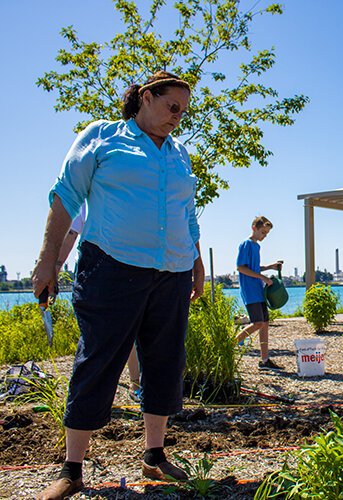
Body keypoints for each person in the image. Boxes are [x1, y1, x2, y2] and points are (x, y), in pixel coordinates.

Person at [32, 71, 204, 500]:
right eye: (172, 107)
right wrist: (47, 261)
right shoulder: (102, 137)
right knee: (99, 360)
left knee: (165, 361)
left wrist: (197, 263)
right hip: (112, 266)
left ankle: (155, 455)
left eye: (183, 111)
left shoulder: (179, 154)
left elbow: (187, 214)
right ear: (147, 97)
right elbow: (65, 196)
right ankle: (72, 470)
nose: (177, 118)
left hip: (173, 270)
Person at [58, 205, 143, 403]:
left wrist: (55, 264)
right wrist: (54, 264)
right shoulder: (84, 194)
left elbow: (72, 231)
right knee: (105, 334)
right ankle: (97, 394)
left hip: (119, 266)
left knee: (119, 332)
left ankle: (133, 384)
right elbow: (72, 230)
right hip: (104, 267)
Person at [235, 216, 283, 371]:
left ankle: (264, 360)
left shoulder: (256, 246)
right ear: (254, 228)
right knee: (258, 323)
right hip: (250, 290)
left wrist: (269, 267)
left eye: (266, 233)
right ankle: (229, 344)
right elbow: (241, 267)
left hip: (258, 290)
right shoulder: (246, 244)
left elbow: (254, 267)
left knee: (264, 324)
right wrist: (263, 277)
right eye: (263, 232)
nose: (264, 236)